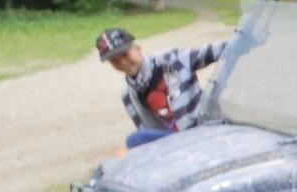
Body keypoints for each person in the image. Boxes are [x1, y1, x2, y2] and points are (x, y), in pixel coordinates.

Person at [97, 28, 228, 148]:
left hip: (205, 130)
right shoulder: (129, 97)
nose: (123, 62)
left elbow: (211, 52)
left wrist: (243, 40)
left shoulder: (174, 59)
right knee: (136, 140)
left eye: (125, 54)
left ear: (137, 48)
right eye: (115, 60)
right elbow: (147, 134)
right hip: (176, 145)